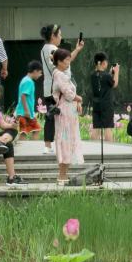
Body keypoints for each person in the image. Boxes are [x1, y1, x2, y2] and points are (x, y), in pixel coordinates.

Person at [40, 24, 85, 154]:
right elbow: (63, 63)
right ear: (53, 36)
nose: (61, 37)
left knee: (52, 116)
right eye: (59, 34)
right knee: (57, 117)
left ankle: (49, 145)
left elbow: (66, 60)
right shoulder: (52, 49)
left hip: (50, 88)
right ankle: (51, 146)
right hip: (58, 90)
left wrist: (77, 49)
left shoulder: (45, 48)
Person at [51, 48, 84, 185]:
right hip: (65, 112)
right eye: (66, 61)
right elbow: (69, 94)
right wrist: (79, 98)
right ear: (58, 62)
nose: (68, 63)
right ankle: (61, 175)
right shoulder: (59, 74)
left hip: (69, 112)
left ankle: (64, 174)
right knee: (65, 140)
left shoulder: (61, 73)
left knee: (68, 140)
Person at [0, 82, 27, 186]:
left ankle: (11, 178)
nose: (0, 94)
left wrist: (12, 125)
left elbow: (2, 125)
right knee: (8, 144)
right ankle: (0, 143)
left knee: (13, 132)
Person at [90, 52, 119, 142]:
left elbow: (102, 82)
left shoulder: (93, 75)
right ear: (103, 63)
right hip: (106, 105)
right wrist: (116, 72)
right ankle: (109, 150)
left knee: (96, 127)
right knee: (108, 127)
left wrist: (110, 73)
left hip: (96, 104)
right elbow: (114, 84)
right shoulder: (106, 76)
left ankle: (93, 148)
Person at [15, 61, 43, 140]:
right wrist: (26, 111)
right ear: (35, 71)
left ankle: (24, 148)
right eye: (39, 73)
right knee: (36, 129)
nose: (40, 75)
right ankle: (32, 148)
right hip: (25, 112)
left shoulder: (25, 80)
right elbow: (23, 96)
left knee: (24, 131)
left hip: (22, 111)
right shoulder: (29, 82)